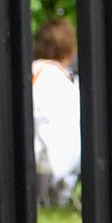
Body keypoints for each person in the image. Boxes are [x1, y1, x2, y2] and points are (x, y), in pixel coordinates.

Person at [30, 16, 81, 207]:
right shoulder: (57, 79)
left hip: (39, 149)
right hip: (54, 151)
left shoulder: (32, 72)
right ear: (69, 49)